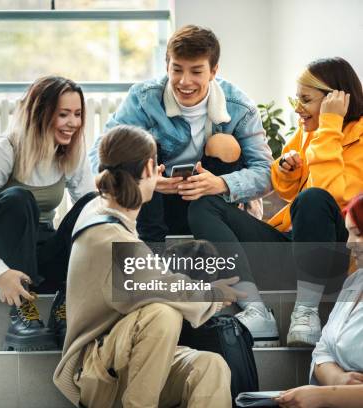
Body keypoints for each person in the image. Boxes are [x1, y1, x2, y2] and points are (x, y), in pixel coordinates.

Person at [54, 125, 246, 408]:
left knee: (210, 366)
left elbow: (144, 272)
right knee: (161, 313)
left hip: (131, 360)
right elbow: (162, 286)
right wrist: (215, 295)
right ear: (147, 166)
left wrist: (150, 183)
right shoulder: (108, 236)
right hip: (97, 372)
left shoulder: (102, 206)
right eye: (155, 165)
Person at [188, 57, 363, 347]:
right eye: (297, 98)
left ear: (336, 99)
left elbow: (331, 198)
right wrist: (285, 169)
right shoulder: (309, 134)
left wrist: (330, 125)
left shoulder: (338, 134)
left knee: (314, 199)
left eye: (306, 99)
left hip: (335, 260)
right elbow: (285, 191)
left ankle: (306, 312)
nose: (297, 108)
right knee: (205, 205)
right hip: (294, 248)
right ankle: (256, 310)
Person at [89, 24, 273, 243]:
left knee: (224, 143)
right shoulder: (143, 98)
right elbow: (101, 155)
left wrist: (222, 183)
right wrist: (145, 181)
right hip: (154, 205)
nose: (185, 81)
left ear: (214, 71)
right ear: (167, 65)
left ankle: (218, 243)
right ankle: (152, 248)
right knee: (143, 145)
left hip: (211, 203)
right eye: (177, 69)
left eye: (196, 71)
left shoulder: (239, 107)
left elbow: (266, 172)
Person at [0, 76, 96, 351]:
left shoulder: (70, 152)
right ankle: (22, 312)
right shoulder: (6, 149)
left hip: (41, 260)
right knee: (19, 198)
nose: (73, 123)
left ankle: (65, 307)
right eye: (63, 114)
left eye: (77, 114)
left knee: (92, 205)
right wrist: (0, 273)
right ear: (40, 114)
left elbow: (94, 214)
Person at [274, 193, 363, 408]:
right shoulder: (354, 282)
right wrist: (337, 380)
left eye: (358, 234)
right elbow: (322, 350)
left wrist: (324, 395)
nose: (350, 244)